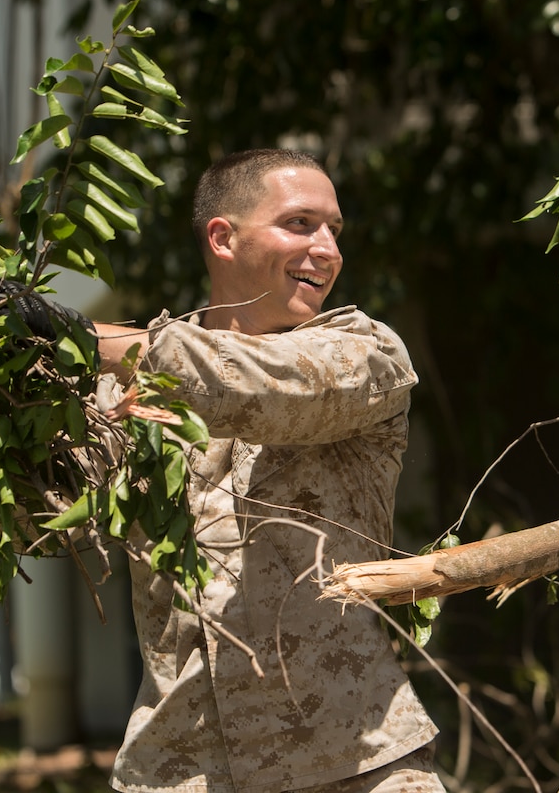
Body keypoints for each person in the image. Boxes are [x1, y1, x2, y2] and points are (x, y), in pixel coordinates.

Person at [91, 149, 444, 793]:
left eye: (335, 230)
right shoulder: (125, 396)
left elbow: (256, 388)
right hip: (181, 769)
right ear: (223, 238)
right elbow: (55, 524)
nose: (328, 249)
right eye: (302, 223)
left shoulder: (368, 354)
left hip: (354, 760)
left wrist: (78, 336)